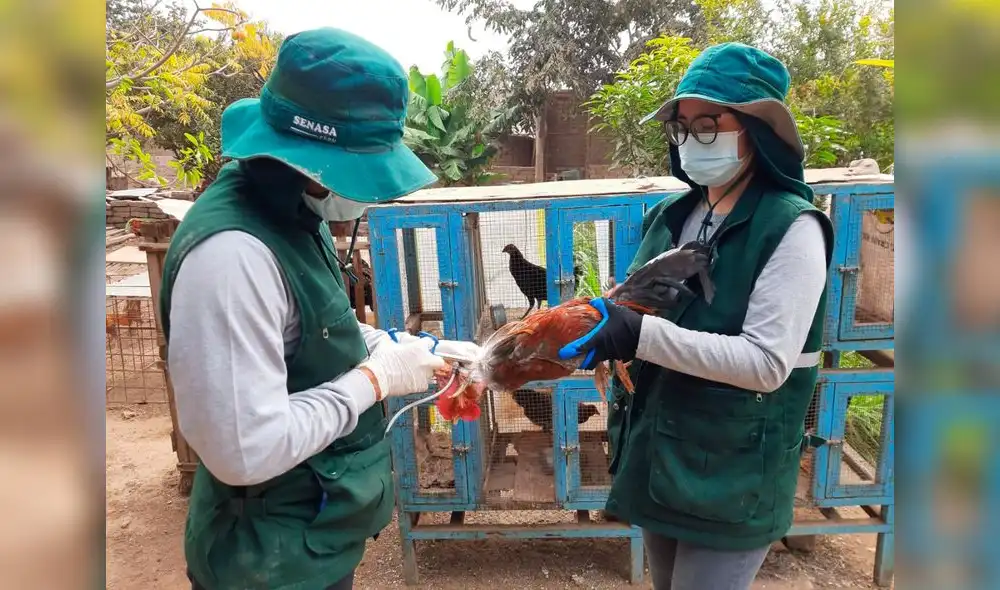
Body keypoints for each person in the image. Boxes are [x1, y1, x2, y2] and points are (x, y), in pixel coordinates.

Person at [159, 28, 480, 590]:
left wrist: (412, 350)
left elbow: (318, 324)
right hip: (266, 559)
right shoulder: (233, 256)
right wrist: (375, 382)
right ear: (312, 153)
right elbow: (244, 450)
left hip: (310, 534)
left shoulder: (290, 212)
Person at [561, 43, 835, 589]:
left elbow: (766, 363)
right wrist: (597, 323)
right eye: (681, 127)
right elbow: (633, 303)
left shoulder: (791, 227)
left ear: (757, 130)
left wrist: (639, 334)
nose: (689, 140)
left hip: (733, 470)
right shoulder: (674, 215)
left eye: (707, 124)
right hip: (661, 452)